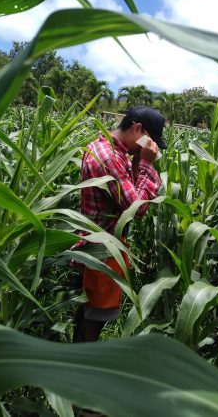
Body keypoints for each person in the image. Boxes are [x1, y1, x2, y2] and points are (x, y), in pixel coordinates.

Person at [72, 105, 167, 342]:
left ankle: (77, 353)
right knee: (97, 314)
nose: (153, 147)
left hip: (99, 243)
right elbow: (137, 208)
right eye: (151, 140)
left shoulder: (107, 148)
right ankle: (84, 365)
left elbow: (126, 188)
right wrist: (147, 164)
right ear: (137, 129)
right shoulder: (110, 157)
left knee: (90, 309)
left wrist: (137, 160)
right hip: (102, 249)